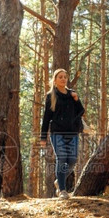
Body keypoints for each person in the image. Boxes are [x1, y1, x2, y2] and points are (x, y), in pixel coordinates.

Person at [40, 68, 85, 199]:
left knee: (72, 160)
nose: (63, 79)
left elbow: (81, 111)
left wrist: (77, 100)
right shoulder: (51, 96)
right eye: (60, 77)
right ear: (55, 80)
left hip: (72, 132)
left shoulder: (72, 95)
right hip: (57, 132)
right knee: (61, 158)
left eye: (65, 77)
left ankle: (59, 180)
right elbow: (46, 118)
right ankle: (62, 190)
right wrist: (43, 137)